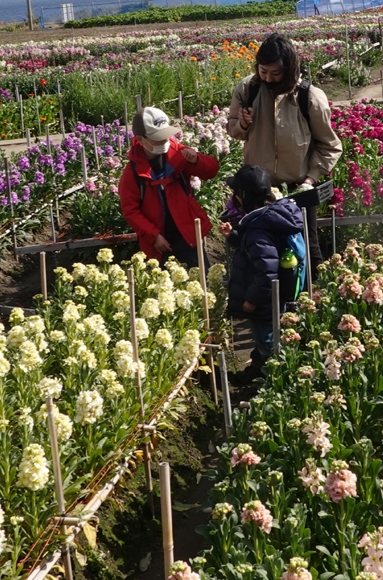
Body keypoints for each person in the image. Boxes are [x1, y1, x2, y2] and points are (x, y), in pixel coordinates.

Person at [227, 33, 342, 268]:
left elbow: (329, 145)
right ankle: (265, 301)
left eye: (275, 73)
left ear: (289, 69)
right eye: (263, 71)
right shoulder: (248, 89)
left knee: (306, 248)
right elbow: (233, 130)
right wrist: (243, 124)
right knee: (258, 249)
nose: (268, 78)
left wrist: (311, 179)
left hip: (297, 188)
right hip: (258, 192)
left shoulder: (308, 96)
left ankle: (310, 299)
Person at [224, 164, 305, 371]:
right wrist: (234, 236)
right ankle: (260, 368)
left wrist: (252, 299)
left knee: (266, 339)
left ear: (241, 198)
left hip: (264, 301)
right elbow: (258, 252)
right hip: (274, 297)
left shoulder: (257, 230)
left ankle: (272, 376)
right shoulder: (270, 217)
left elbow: (267, 270)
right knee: (268, 336)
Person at [118, 105, 219, 264]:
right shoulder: (132, 172)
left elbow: (211, 171)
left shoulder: (179, 152)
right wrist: (153, 236)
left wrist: (197, 160)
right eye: (158, 137)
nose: (165, 140)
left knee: (202, 280)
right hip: (159, 244)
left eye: (166, 134)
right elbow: (130, 210)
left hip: (187, 236)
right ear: (140, 139)